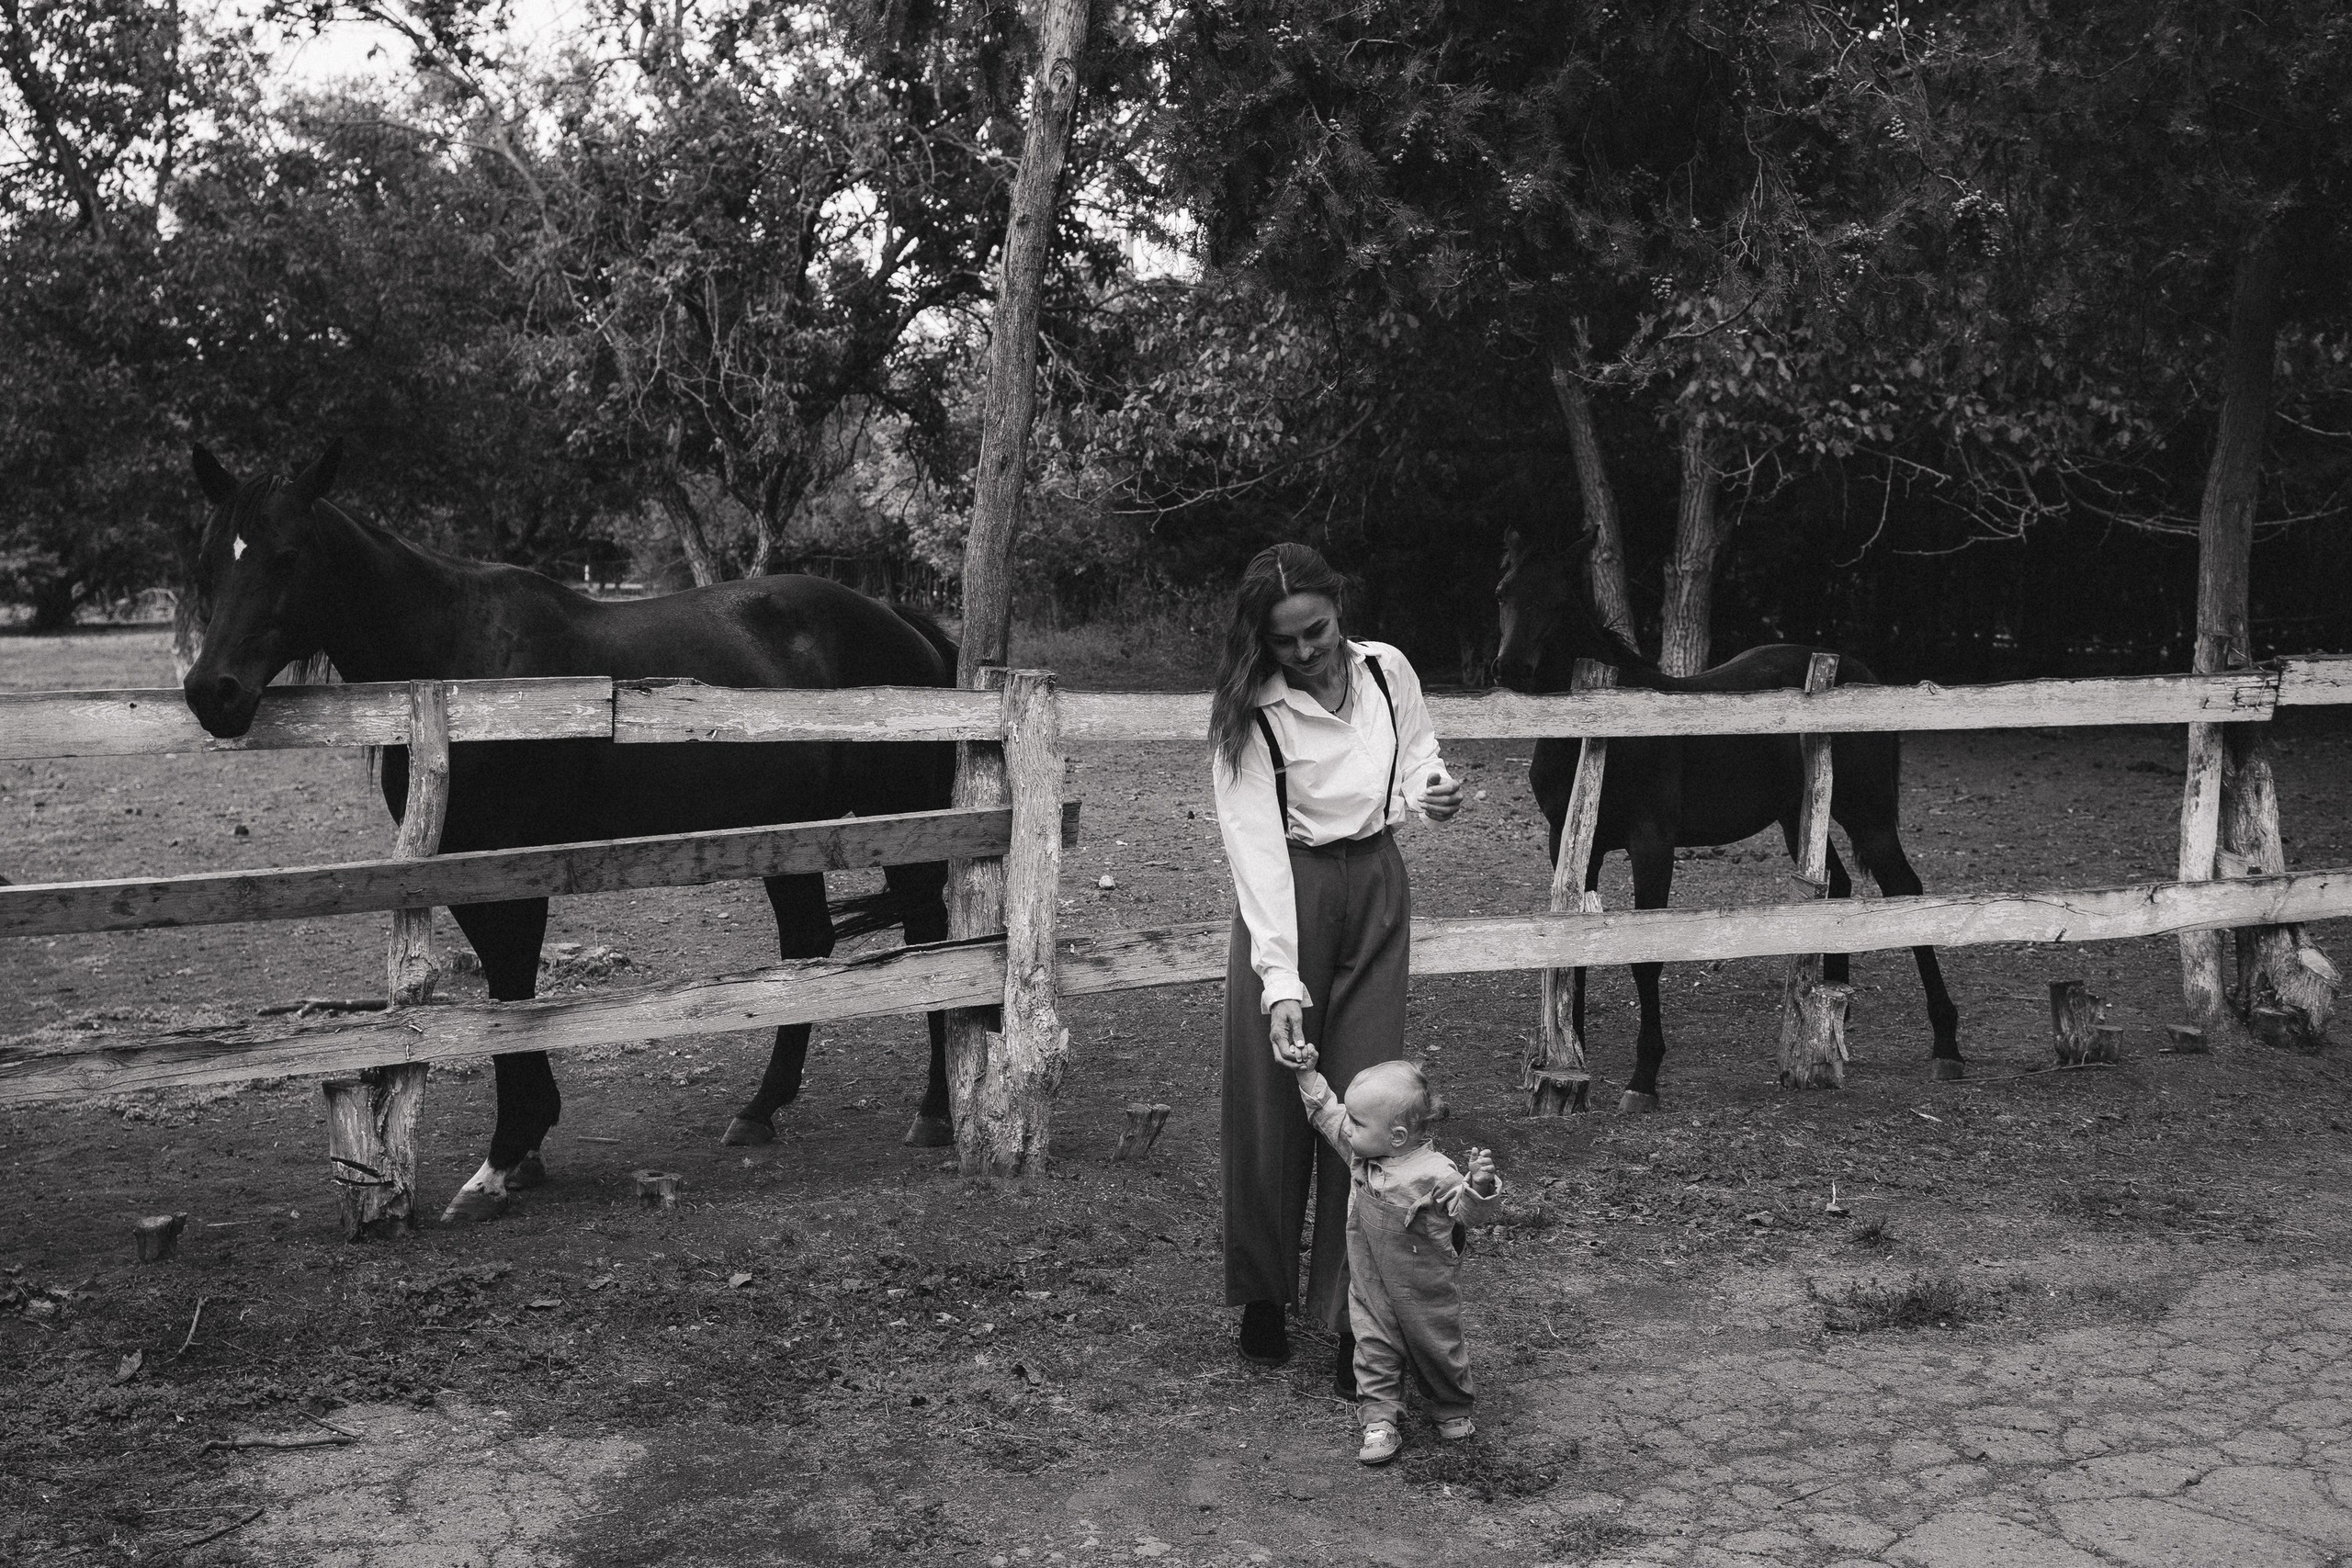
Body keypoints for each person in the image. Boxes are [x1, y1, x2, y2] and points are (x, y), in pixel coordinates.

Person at [1209, 541, 1464, 1385]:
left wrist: (1434, 791)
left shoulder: (1388, 670)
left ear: (1338, 607)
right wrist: (1279, 978)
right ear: (1263, 641)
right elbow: (1254, 848)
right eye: (1286, 641)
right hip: (1290, 893)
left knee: (1370, 1101)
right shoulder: (1252, 712)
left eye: (1315, 630)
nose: (1306, 651)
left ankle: (1353, 1307)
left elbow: (1419, 751)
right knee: (1272, 1096)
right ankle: (1262, 1293)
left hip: (1377, 884)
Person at [1289, 1051, 1501, 1463]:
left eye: (1358, 1122)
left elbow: (1469, 1214)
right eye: (1351, 1119)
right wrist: (1308, 1074)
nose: (1347, 1129)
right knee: (1372, 1343)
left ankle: (1451, 1407)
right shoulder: (1362, 1153)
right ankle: (1380, 1419)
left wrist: (1480, 1183)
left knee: (1437, 1344)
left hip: (1424, 1284)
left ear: (1398, 1136)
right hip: (1371, 1279)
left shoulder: (1436, 1172)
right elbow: (1327, 1114)